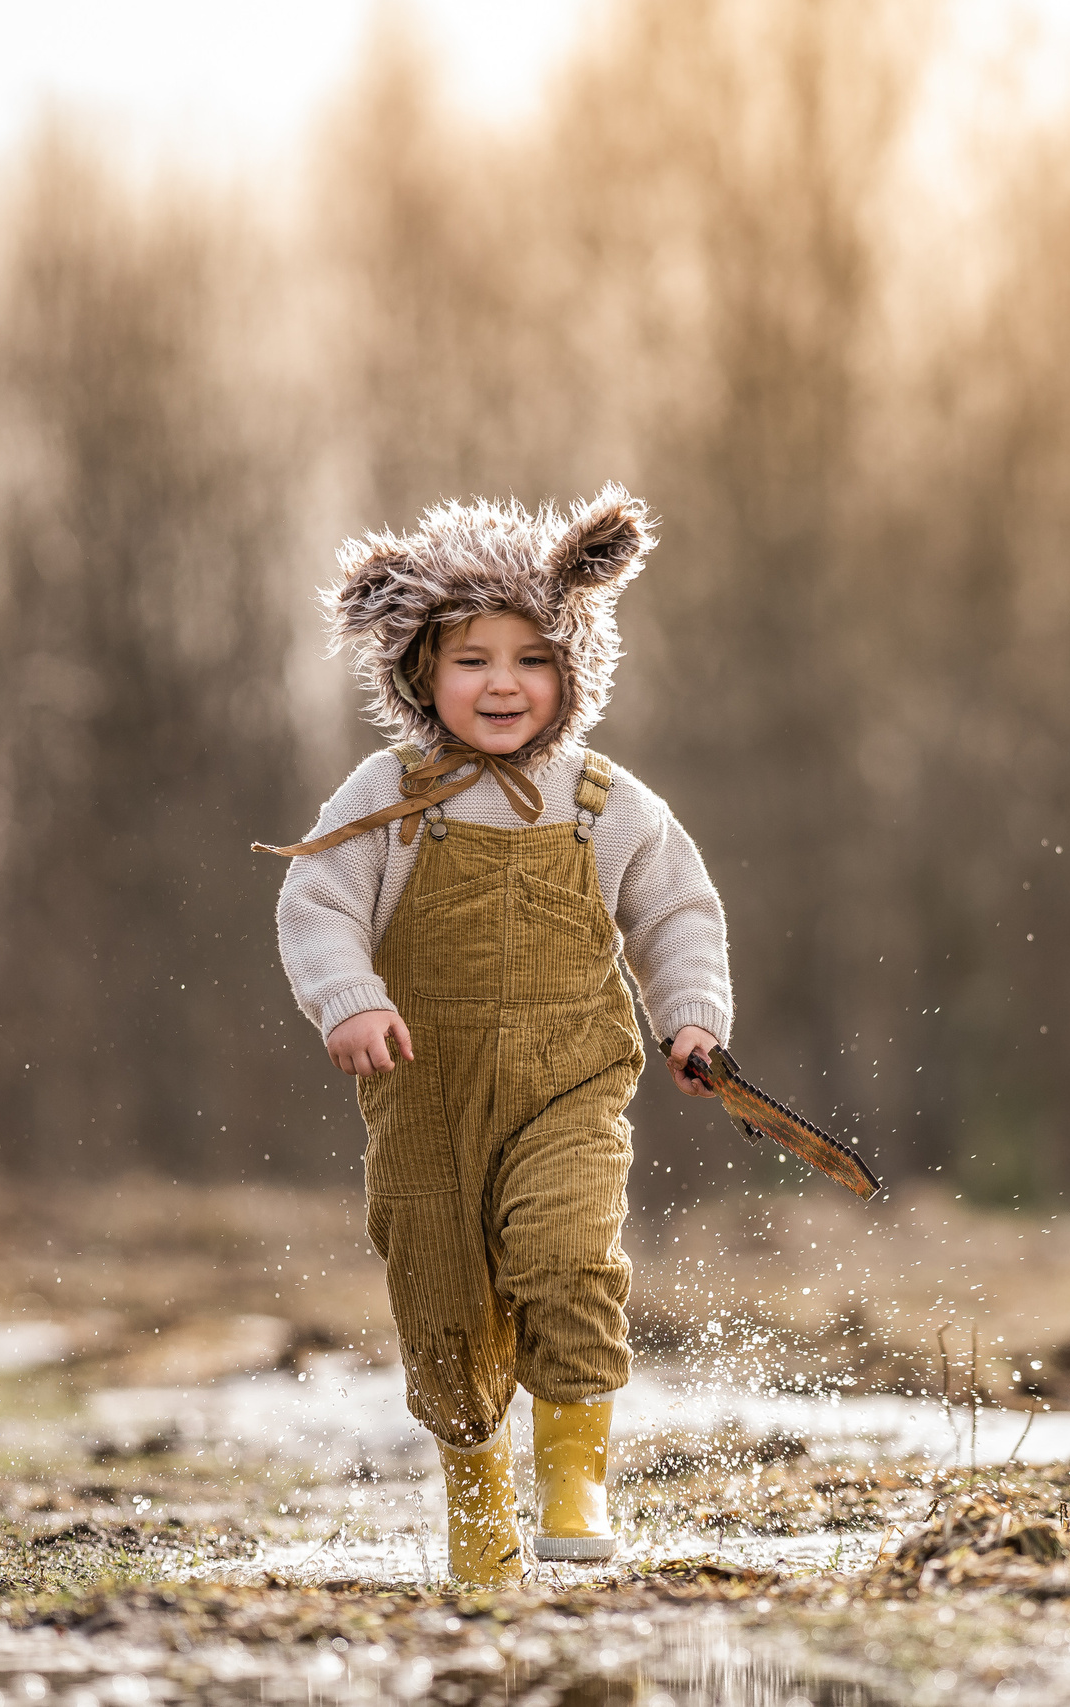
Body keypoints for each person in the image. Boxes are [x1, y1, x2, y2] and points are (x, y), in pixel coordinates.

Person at [263, 485, 731, 1585]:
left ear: (574, 672)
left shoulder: (605, 802)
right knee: (440, 1301)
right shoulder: (391, 795)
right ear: (418, 671)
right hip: (422, 1095)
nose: (503, 683)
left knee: (570, 1257)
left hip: (569, 1084)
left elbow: (676, 913)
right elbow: (316, 904)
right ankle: (478, 1498)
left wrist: (692, 1016)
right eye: (471, 659)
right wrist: (351, 999)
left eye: (532, 658)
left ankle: (575, 1477)